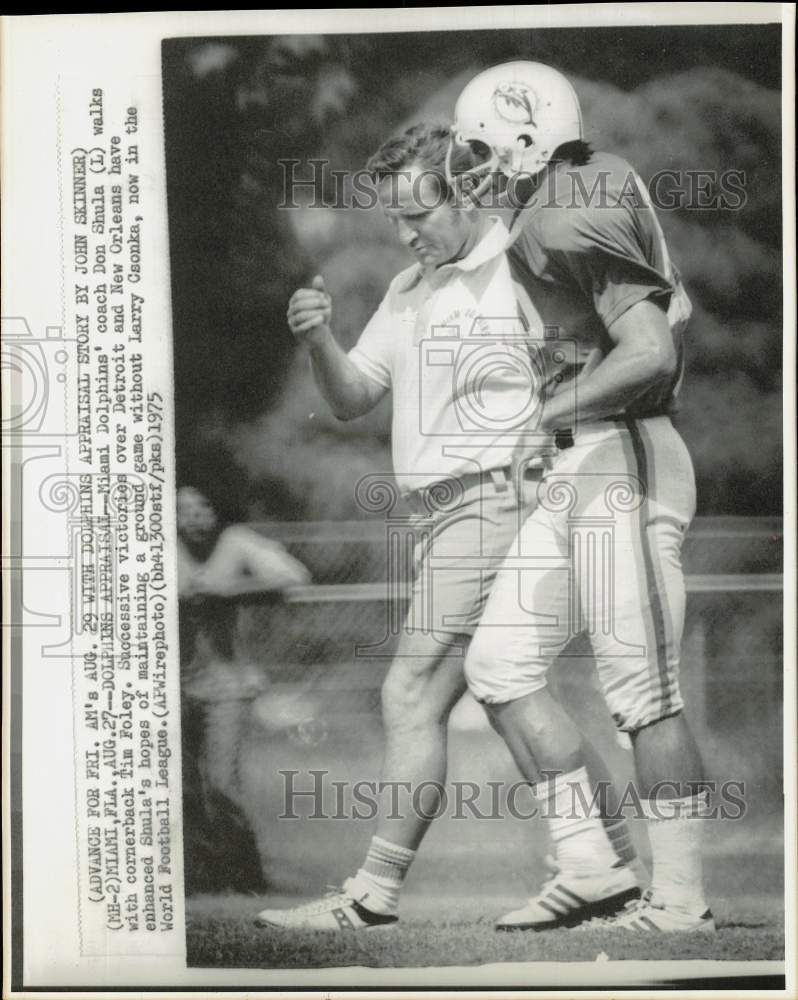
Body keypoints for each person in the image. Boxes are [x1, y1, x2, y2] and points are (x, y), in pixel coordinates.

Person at [254, 122, 639, 932]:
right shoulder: (408, 289)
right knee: (509, 691)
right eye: (392, 219)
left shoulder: (525, 269)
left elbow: (599, 374)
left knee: (409, 692)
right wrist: (318, 338)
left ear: (464, 195)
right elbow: (356, 395)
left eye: (415, 216)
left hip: (489, 505)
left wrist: (545, 462)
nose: (402, 234)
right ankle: (607, 867)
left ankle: (372, 896)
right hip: (439, 517)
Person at [446, 61, 714, 933]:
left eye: (480, 148)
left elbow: (650, 355)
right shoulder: (578, 189)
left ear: (528, 139)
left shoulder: (563, 208)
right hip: (587, 460)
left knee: (641, 690)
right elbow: (676, 311)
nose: (468, 167)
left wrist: (544, 415)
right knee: (498, 666)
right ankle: (592, 866)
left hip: (622, 460)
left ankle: (679, 900)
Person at [177, 485, 310, 893]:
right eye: (184, 509)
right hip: (167, 687)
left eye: (205, 506)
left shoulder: (236, 543)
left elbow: (295, 577)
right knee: (181, 787)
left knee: (221, 783)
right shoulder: (154, 544)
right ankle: (202, 877)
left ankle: (246, 876)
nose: (196, 516)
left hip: (227, 684)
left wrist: (229, 591)